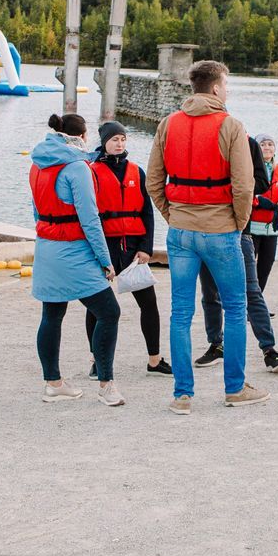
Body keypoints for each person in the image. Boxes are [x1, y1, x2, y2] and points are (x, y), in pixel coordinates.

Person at [146, 58, 268, 413]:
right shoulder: (230, 125)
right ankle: (235, 388)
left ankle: (182, 395)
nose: (227, 91)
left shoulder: (168, 123)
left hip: (181, 231)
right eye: (226, 85)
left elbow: (153, 181)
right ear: (215, 88)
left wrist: (173, 215)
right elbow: (243, 186)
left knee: (180, 313)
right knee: (236, 308)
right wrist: (238, 224)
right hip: (220, 230)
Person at [30, 112, 124, 406]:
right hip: (73, 251)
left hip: (46, 248)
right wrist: (105, 260)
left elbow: (36, 211)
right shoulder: (77, 168)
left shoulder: (37, 163)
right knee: (109, 312)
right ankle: (106, 385)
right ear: (82, 137)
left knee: (52, 315)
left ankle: (53, 383)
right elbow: (90, 219)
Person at [195, 134, 278, 374]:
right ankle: (216, 345)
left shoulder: (247, 142)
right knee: (210, 293)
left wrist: (228, 188)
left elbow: (262, 183)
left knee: (251, 291)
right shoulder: (201, 141)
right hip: (205, 229)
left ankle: (269, 350)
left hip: (239, 231)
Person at [85, 120, 171, 377]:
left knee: (149, 303)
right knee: (96, 307)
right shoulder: (91, 172)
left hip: (133, 247)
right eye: (114, 139)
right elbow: (88, 215)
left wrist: (146, 248)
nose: (119, 143)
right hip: (105, 246)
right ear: (104, 142)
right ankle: (96, 360)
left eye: (122, 139)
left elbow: (147, 212)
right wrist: (97, 253)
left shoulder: (136, 171)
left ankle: (154, 360)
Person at [248, 134, 278, 291]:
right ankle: (247, 301)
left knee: (266, 266)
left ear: (275, 148)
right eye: (262, 144)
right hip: (253, 227)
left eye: (270, 144)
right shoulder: (250, 168)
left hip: (271, 228)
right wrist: (259, 200)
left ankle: (258, 300)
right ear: (256, 148)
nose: (267, 147)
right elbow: (244, 191)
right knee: (248, 267)